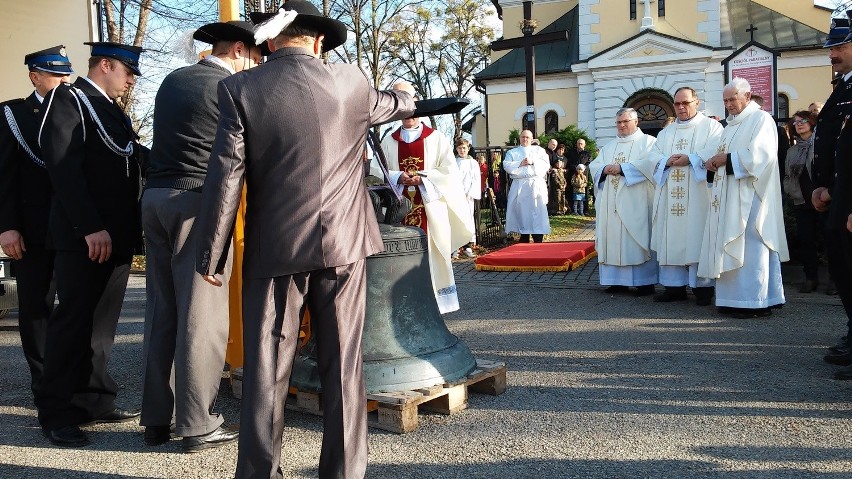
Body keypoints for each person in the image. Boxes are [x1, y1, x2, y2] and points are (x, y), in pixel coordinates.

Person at [193, 2, 416, 476]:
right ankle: (343, 472)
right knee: (343, 367)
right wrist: (405, 97)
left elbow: (225, 177)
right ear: (319, 42)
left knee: (267, 368)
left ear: (270, 42)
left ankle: (258, 472)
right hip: (345, 246)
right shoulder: (353, 84)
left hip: (275, 248)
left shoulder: (238, 89)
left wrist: (212, 256)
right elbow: (395, 105)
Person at [140, 21, 265, 452]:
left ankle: (156, 418)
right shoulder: (230, 88)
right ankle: (196, 423)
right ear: (237, 50)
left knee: (162, 311)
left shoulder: (173, 81)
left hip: (155, 197)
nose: (258, 64)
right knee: (202, 316)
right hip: (196, 204)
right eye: (255, 56)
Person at [36, 41, 145, 447]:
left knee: (101, 326)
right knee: (73, 324)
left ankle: (94, 400)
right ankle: (56, 412)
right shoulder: (68, 98)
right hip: (87, 236)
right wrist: (89, 227)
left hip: (113, 235)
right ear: (105, 65)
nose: (131, 80)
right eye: (127, 72)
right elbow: (63, 168)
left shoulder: (109, 109)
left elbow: (130, 156)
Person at [0, 46, 73, 402]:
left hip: (74, 227)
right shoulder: (13, 114)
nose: (64, 81)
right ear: (35, 76)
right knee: (37, 306)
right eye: (56, 75)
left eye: (66, 75)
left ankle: (75, 382)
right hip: (31, 229)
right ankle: (44, 384)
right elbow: (3, 176)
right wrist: (6, 226)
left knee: (75, 305)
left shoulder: (77, 110)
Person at [699, 78, 788, 318]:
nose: (728, 104)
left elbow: (762, 155)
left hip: (752, 196)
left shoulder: (761, 120)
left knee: (752, 246)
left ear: (747, 97)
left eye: (732, 99)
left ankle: (756, 300)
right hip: (728, 195)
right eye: (725, 100)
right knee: (730, 241)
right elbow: (720, 153)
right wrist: (711, 160)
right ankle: (731, 298)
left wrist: (726, 160)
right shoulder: (730, 126)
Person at [380, 112, 473, 313]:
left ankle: (436, 304)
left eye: (414, 113)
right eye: (404, 113)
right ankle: (402, 302)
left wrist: (423, 178)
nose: (409, 117)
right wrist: (397, 176)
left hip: (430, 210)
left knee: (433, 252)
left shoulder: (436, 138)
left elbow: (449, 172)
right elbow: (378, 169)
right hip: (399, 209)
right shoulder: (388, 141)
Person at [645, 87, 723, 305]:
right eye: (677, 104)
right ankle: (674, 287)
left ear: (696, 102)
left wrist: (691, 158)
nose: (680, 107)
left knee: (699, 238)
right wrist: (666, 161)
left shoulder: (711, 127)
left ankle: (703, 288)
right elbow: (653, 156)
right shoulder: (666, 132)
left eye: (685, 103)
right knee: (671, 238)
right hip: (670, 194)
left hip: (699, 196)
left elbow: (716, 149)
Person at [814, 15, 852, 375]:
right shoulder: (842, 87)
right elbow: (831, 140)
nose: (832, 53)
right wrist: (821, 185)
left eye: (839, 46)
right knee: (843, 268)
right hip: (838, 197)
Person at [590, 108, 658, 295]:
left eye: (625, 122)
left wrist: (623, 168)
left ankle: (644, 282)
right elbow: (594, 166)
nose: (621, 126)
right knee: (612, 239)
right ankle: (616, 281)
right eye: (618, 123)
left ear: (636, 122)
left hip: (636, 201)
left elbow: (651, 165)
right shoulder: (609, 146)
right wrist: (604, 169)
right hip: (610, 205)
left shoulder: (649, 142)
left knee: (636, 239)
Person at [784, 111, 822, 294]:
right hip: (801, 201)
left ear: (812, 122)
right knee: (806, 241)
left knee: (828, 240)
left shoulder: (820, 144)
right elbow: (787, 176)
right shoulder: (792, 150)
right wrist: (789, 190)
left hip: (822, 200)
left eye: (803, 121)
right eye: (796, 122)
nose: (799, 124)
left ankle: (833, 280)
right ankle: (810, 278)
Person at [503, 129, 551, 243]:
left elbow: (545, 164)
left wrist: (533, 161)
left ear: (532, 139)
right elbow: (506, 165)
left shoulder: (539, 150)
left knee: (537, 211)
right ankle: (524, 235)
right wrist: (519, 163)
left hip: (535, 185)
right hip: (520, 185)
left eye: (527, 137)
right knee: (522, 212)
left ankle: (538, 236)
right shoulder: (513, 152)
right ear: (520, 138)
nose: (525, 139)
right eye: (523, 137)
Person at [452, 138, 480, 259]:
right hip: (456, 196)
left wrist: (470, 193)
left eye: (464, 148)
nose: (462, 150)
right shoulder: (453, 162)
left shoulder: (473, 163)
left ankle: (468, 245)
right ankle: (455, 247)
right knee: (456, 220)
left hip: (468, 196)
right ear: (456, 149)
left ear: (468, 148)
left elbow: (476, 179)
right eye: (459, 148)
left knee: (468, 220)